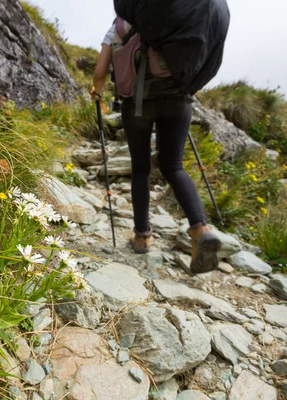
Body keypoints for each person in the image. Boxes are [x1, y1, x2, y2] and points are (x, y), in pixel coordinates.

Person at [91, 20, 222, 274]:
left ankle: (142, 237)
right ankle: (200, 229)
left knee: (141, 169)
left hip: (137, 104)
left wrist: (96, 92)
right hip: (177, 98)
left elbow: (100, 73)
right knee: (173, 166)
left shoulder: (118, 27)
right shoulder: (176, 18)